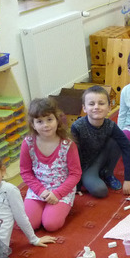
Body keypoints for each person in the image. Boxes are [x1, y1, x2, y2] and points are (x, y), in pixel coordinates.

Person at [19, 97, 82, 232]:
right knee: (29, 224)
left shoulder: (67, 144)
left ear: (57, 120)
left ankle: (62, 206)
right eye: (39, 121)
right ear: (33, 124)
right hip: (38, 189)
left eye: (49, 119)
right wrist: (40, 191)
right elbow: (25, 171)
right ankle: (43, 208)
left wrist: (58, 194)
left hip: (61, 189)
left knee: (51, 224)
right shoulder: (28, 143)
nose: (46, 125)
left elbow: (75, 174)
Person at [71, 85, 130, 197]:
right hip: (86, 166)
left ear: (109, 107)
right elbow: (73, 156)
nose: (96, 107)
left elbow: (127, 148)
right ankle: (91, 177)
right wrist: (77, 183)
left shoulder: (111, 125)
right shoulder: (77, 127)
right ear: (84, 108)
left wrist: (128, 179)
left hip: (100, 158)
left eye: (101, 103)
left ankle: (107, 173)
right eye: (91, 104)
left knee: (118, 140)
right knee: (100, 191)